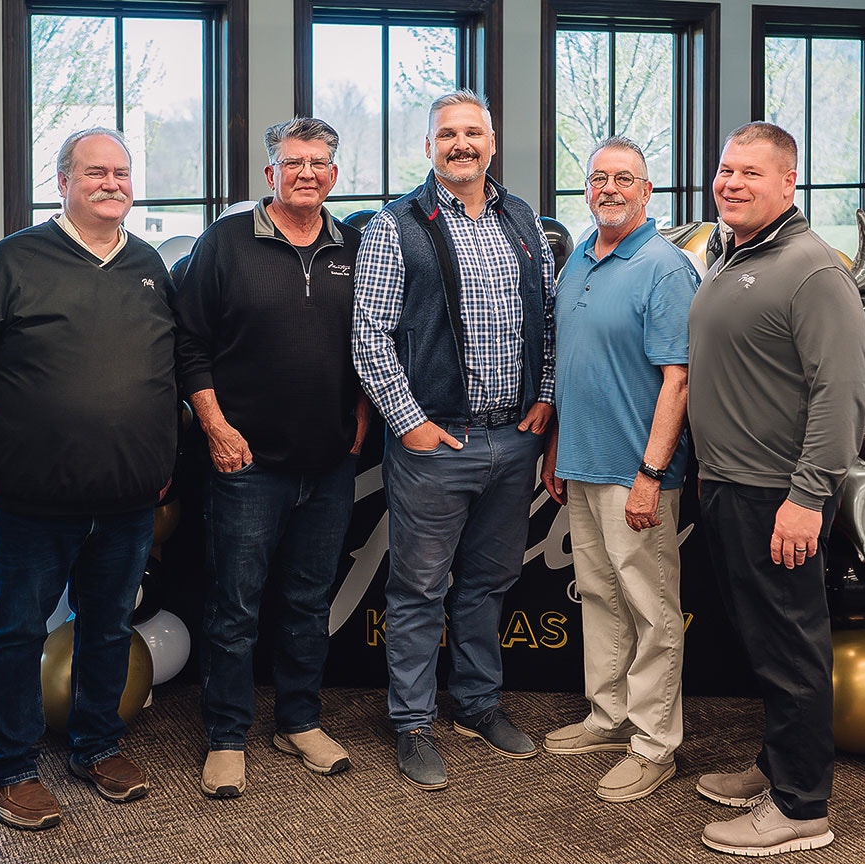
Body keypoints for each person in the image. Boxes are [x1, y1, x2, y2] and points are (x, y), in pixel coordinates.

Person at [0, 128, 177, 830]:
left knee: (107, 628)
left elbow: (169, 371)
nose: (111, 183)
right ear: (63, 182)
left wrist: (161, 459)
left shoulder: (148, 264)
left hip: (128, 499)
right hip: (33, 500)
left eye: (122, 172)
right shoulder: (14, 261)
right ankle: (9, 769)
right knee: (15, 631)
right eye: (95, 172)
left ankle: (97, 747)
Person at [352, 89, 555, 791]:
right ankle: (412, 722)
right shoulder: (396, 225)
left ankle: (476, 703)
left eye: (473, 133)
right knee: (418, 590)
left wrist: (545, 397)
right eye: (447, 134)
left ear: (491, 143)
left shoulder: (521, 218)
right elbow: (369, 335)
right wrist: (408, 420)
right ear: (430, 147)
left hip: (514, 440)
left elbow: (547, 319)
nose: (461, 144)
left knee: (489, 583)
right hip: (437, 445)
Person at [174, 117, 369, 799]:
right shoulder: (225, 242)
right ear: (270, 174)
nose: (306, 173)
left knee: (309, 602)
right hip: (246, 464)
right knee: (235, 607)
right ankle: (227, 736)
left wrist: (362, 411)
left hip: (330, 463)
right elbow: (188, 343)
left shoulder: (355, 246)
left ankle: (299, 721)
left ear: (333, 176)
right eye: (293, 163)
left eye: (318, 163)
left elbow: (372, 339)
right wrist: (216, 428)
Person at [687, 122, 865, 856]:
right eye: (725, 169)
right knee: (765, 644)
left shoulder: (811, 269)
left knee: (792, 650)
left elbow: (840, 395)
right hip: (729, 485)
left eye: (750, 173)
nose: (731, 183)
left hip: (778, 495)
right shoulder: (734, 253)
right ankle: (776, 765)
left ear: (789, 182)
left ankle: (801, 807)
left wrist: (807, 498)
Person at [540, 136, 698, 802]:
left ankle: (655, 744)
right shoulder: (580, 255)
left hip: (637, 471)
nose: (609, 188)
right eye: (599, 177)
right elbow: (573, 364)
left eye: (624, 178)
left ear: (646, 191)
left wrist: (650, 474)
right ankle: (608, 717)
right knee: (602, 597)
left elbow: (678, 380)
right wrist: (557, 447)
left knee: (652, 610)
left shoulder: (665, 268)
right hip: (583, 461)